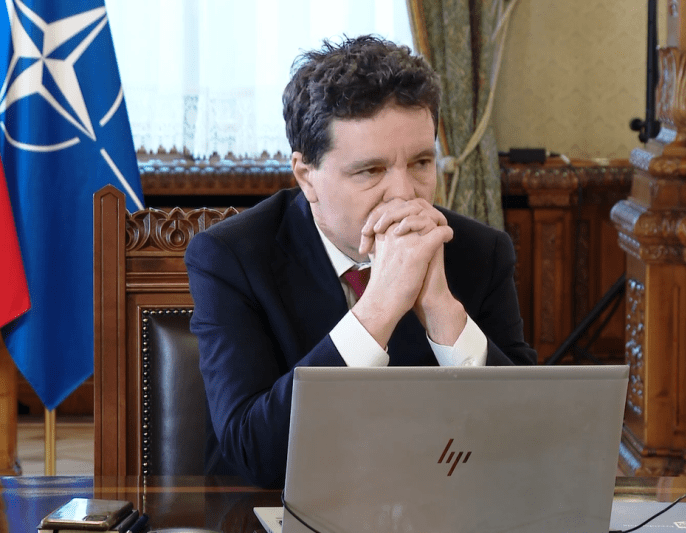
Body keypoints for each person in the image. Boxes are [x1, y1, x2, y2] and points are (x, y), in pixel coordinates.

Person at [185, 35, 537, 489]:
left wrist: (444, 314)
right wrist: (378, 309)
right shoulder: (232, 257)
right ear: (306, 177)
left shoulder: (479, 251)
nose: (404, 194)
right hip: (279, 509)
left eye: (421, 163)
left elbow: (529, 439)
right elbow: (254, 454)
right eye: (371, 170)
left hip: (431, 503)